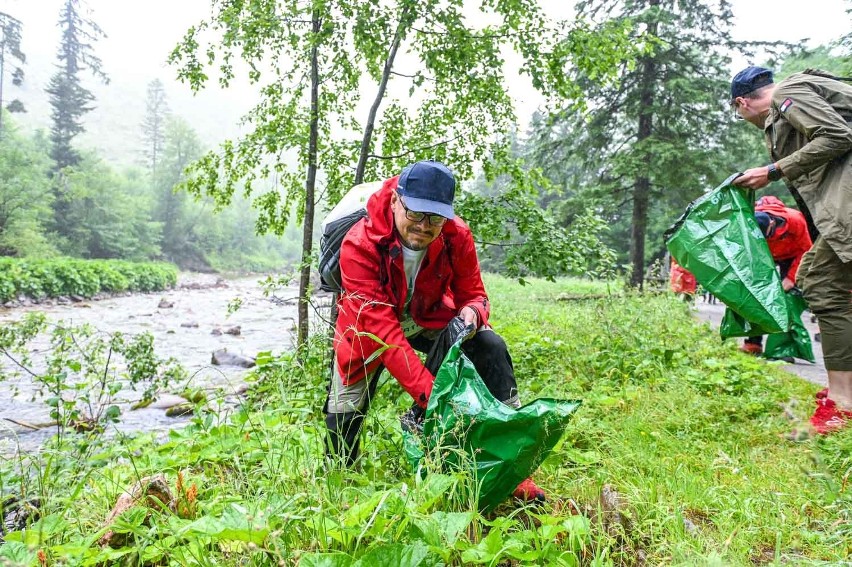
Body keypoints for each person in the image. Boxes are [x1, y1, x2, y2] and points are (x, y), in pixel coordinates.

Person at [325, 159, 545, 501]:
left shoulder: (457, 235)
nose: (424, 227)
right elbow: (386, 336)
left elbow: (474, 294)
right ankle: (340, 483)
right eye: (415, 214)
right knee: (345, 409)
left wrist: (474, 311)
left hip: (424, 315)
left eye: (435, 218)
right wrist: (435, 400)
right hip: (367, 327)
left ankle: (515, 468)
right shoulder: (359, 245)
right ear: (396, 200)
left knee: (489, 344)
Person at [729, 66, 852, 434]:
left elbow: (837, 134)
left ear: (741, 103)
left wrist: (772, 170)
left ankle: (843, 405)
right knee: (824, 277)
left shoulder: (789, 92)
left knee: (819, 279)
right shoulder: (787, 111)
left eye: (739, 114)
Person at [740, 198, 813, 356]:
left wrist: (791, 278)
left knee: (786, 299)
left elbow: (806, 251)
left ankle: (782, 349)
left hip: (791, 256)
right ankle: (753, 343)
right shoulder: (748, 221)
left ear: (772, 224)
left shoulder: (795, 220)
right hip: (765, 256)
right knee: (756, 296)